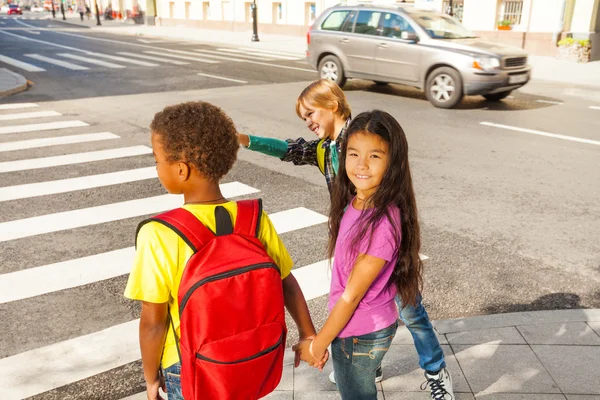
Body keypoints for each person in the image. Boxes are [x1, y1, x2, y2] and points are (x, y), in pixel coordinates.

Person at [238, 80, 453, 399]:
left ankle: (436, 371)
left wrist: (319, 342)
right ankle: (369, 360)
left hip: (381, 243)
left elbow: (389, 169)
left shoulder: (362, 135)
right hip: (357, 247)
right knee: (369, 305)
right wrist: (246, 140)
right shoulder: (322, 148)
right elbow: (286, 149)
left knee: (409, 309)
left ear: (333, 105)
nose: (309, 122)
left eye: (311, 113)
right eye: (304, 118)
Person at [124, 101, 321, 400]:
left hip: (188, 366)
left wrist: (151, 376)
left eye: (157, 159)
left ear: (180, 169)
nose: (156, 166)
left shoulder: (160, 233)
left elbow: (153, 320)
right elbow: (287, 283)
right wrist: (308, 334)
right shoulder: (253, 219)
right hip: (250, 356)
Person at [294, 110, 428, 399]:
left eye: (375, 156)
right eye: (354, 154)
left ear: (394, 163)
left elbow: (351, 296)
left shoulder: (382, 222)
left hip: (359, 333)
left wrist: (318, 346)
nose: (361, 165)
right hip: (364, 327)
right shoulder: (358, 200)